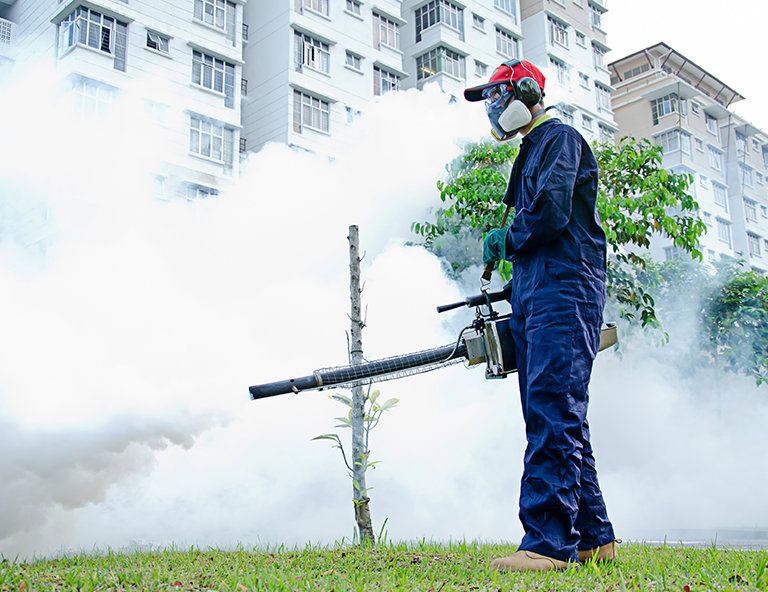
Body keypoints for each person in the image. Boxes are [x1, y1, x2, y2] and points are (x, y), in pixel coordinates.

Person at [463, 60, 617, 572]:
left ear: (525, 93)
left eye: (495, 97)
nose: (490, 108)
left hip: (564, 289)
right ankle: (593, 538)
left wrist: (509, 237)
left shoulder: (560, 139)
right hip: (538, 290)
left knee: (553, 409)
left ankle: (548, 544)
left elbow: (551, 214)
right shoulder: (531, 151)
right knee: (556, 412)